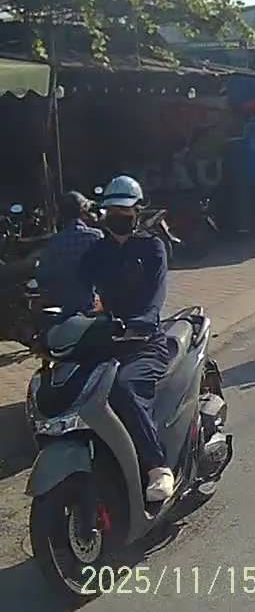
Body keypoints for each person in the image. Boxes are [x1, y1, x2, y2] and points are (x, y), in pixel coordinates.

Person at [79, 176, 174, 502]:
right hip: (107, 340)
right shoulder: (98, 251)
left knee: (123, 386)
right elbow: (80, 290)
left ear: (137, 211)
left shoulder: (152, 248)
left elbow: (156, 297)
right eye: (112, 211)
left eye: (124, 210)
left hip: (145, 342)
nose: (117, 216)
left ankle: (157, 466)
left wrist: (141, 322)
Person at [38, 191, 104, 315]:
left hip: (65, 308)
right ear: (83, 211)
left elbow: (43, 277)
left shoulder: (54, 241)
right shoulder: (95, 236)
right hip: (92, 306)